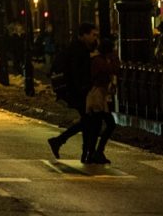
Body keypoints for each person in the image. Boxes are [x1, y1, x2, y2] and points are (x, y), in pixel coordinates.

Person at [47, 22, 98, 162]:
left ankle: (83, 151)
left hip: (76, 91)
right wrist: (83, 89)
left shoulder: (78, 48)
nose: (95, 38)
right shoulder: (78, 50)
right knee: (90, 121)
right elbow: (76, 73)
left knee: (88, 121)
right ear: (84, 35)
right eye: (93, 35)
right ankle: (80, 150)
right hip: (77, 91)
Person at [85, 35, 120, 164]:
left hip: (100, 95)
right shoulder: (98, 61)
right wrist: (114, 58)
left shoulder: (100, 59)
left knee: (98, 125)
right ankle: (95, 152)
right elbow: (112, 69)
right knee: (104, 124)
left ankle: (94, 152)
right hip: (97, 96)